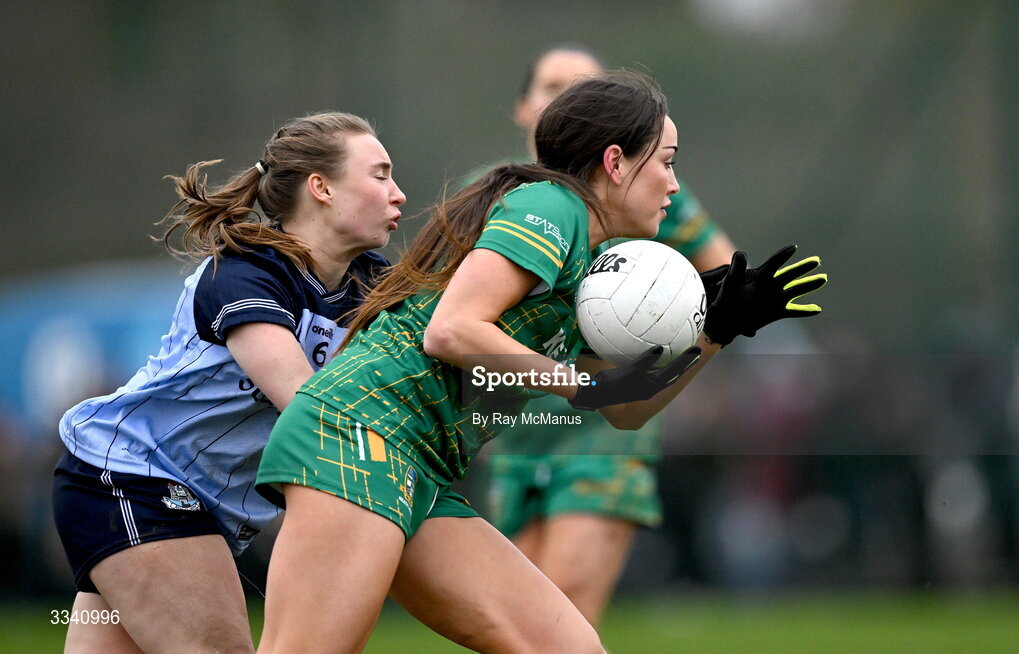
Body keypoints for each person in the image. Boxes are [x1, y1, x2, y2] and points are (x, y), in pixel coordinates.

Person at [254, 72, 826, 654]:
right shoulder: (553, 205)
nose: (674, 186)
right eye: (667, 162)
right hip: (359, 433)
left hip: (421, 468)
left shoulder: (599, 267)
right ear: (615, 162)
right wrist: (578, 386)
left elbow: (626, 408)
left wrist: (715, 332)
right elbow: (452, 330)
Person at [51, 112, 405, 654]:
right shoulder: (243, 271)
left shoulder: (371, 284)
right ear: (322, 188)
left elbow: (448, 369)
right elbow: (307, 406)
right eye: (379, 175)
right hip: (132, 481)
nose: (398, 193)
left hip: (186, 504)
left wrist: (575, 385)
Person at [481, 43, 737, 626]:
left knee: (561, 613)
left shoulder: (650, 184)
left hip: (600, 428)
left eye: (582, 87)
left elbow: (724, 274)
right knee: (513, 625)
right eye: (552, 87)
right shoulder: (502, 194)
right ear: (523, 109)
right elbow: (452, 324)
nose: (566, 99)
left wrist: (659, 325)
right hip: (520, 429)